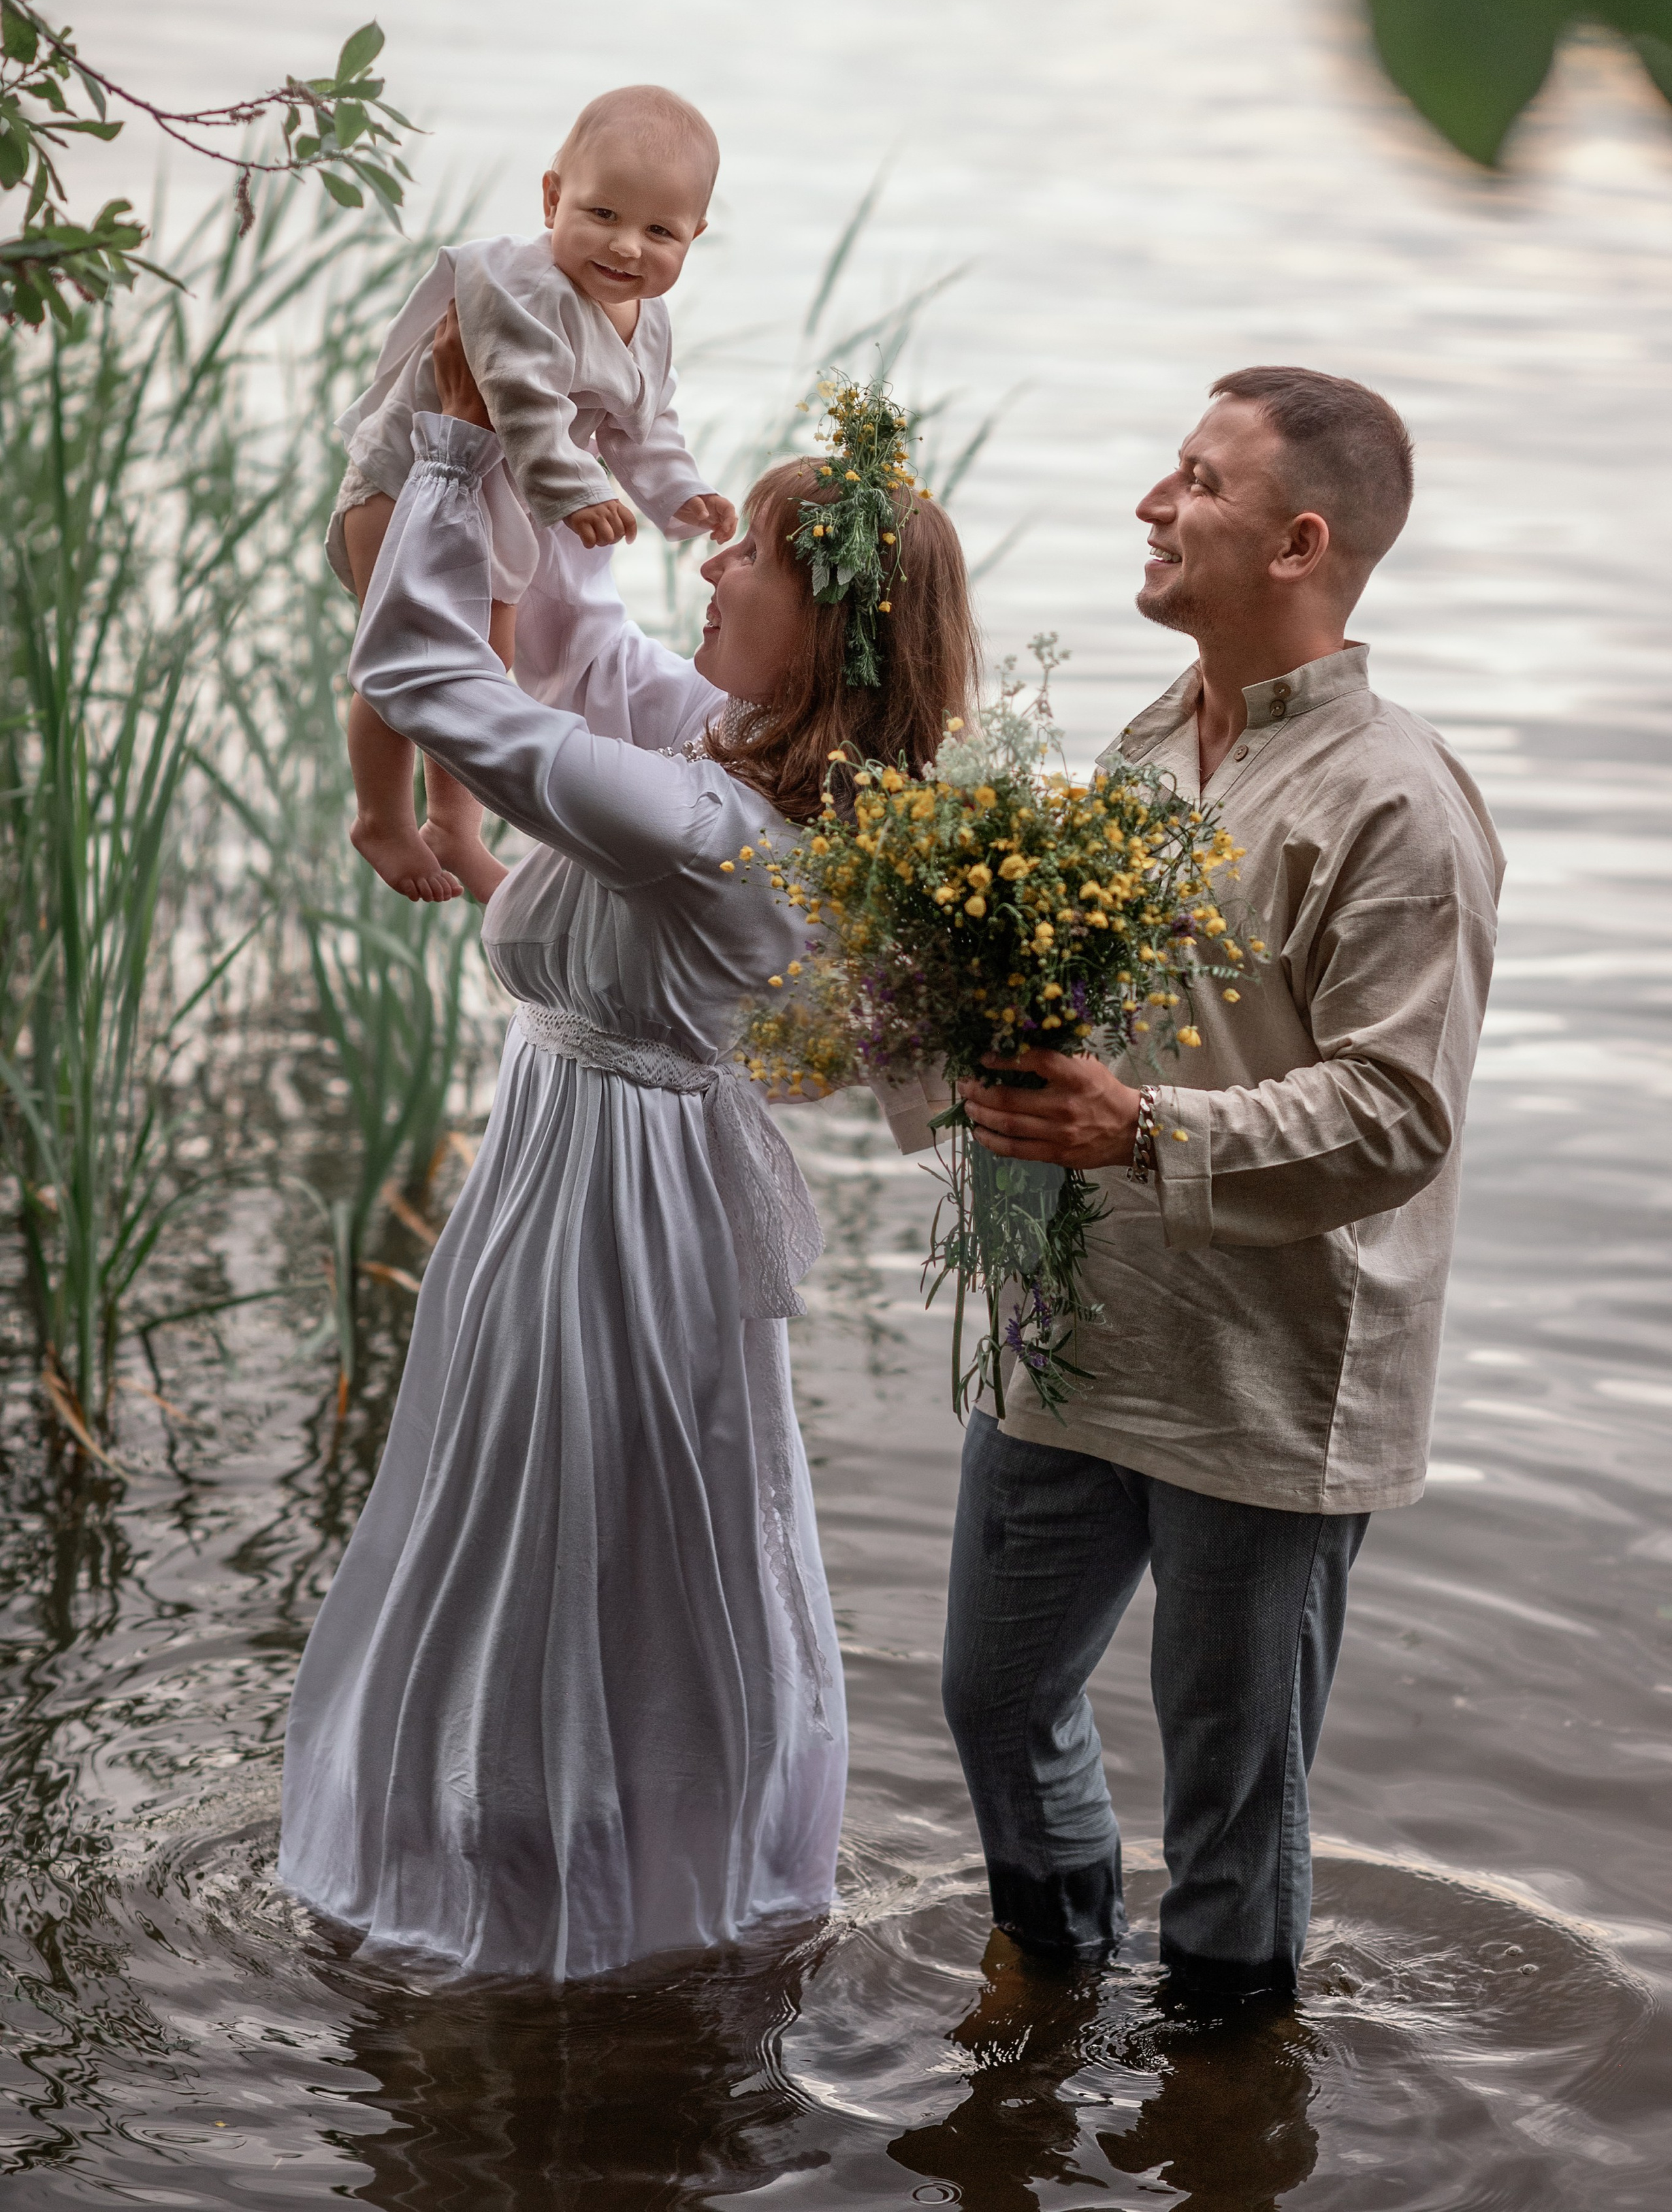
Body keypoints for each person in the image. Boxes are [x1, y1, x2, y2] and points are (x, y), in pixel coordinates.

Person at [278, 309, 981, 1984]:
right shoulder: (738, 760)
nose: (712, 559)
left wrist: (450, 460)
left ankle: (560, 1886)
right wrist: (555, 452)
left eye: (748, 546)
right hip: (588, 1170)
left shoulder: (704, 821)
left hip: (608, 1197)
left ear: (828, 634)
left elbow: (436, 681)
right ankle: (609, 1862)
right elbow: (582, 646)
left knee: (574, 1524)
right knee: (581, 1515)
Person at [943, 366, 1504, 2001]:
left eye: (1192, 478)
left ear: (1295, 541)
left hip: (1269, 1372)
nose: (1149, 501)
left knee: (1231, 1797)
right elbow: (1102, 1024)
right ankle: (1041, 1982)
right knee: (992, 1695)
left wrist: (1141, 1132)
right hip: (1074, 1330)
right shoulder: (1137, 744)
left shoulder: (1396, 800)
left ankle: (1223, 2068)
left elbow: (1398, 1114)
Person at [327, 84, 737, 906]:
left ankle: (455, 824)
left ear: (695, 236)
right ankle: (381, 816)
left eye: (659, 230)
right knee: (402, 650)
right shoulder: (522, 287)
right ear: (553, 197)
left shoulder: (643, 321)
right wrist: (575, 489)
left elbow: (643, 424)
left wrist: (680, 495)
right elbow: (521, 399)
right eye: (602, 214)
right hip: (406, 483)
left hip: (498, 503)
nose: (626, 247)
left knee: (484, 668)